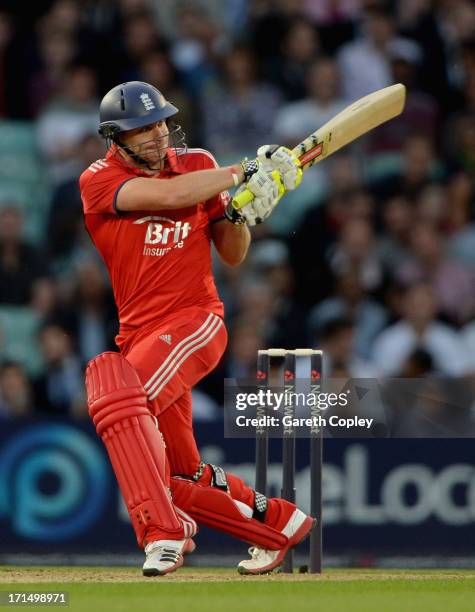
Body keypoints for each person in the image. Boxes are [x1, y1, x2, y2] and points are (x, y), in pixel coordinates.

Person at [79, 80, 312, 576]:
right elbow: (167, 195)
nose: (158, 136)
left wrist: (241, 212)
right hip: (140, 337)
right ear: (115, 139)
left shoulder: (200, 164)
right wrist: (240, 172)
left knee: (121, 400)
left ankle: (164, 533)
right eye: (143, 130)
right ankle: (277, 524)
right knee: (176, 470)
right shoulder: (97, 180)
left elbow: (231, 253)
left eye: (161, 122)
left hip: (195, 323)